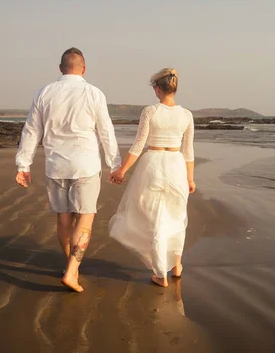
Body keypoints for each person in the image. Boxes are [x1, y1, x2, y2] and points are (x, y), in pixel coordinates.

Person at [15, 47, 121, 292]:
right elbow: (106, 132)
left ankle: (70, 265)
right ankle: (72, 271)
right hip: (85, 165)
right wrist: (114, 165)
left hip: (55, 166)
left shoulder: (45, 93)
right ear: (84, 69)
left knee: (64, 218)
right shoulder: (94, 94)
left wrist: (23, 165)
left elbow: (31, 131)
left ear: (60, 68)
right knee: (85, 218)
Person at [109, 68, 195, 287]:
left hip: (154, 165)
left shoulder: (150, 111)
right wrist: (191, 178)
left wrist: (122, 171)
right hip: (176, 166)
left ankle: (160, 274)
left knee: (156, 218)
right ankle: (176, 265)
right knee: (176, 216)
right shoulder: (186, 115)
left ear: (158, 89)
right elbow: (188, 151)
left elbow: (139, 145)